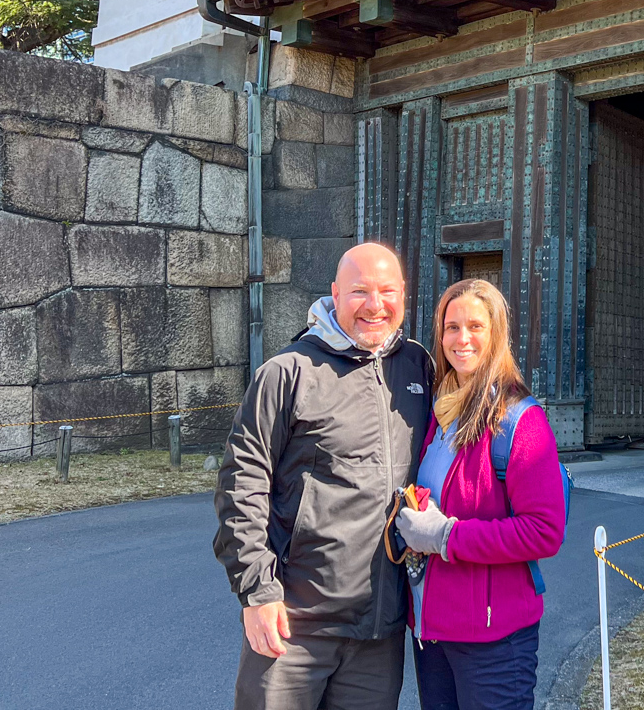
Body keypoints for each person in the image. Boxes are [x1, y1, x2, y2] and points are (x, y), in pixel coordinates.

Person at [214, 242, 432, 710]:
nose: (375, 306)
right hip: (294, 625)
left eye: (388, 291)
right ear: (334, 293)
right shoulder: (288, 372)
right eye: (360, 292)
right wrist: (257, 593)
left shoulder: (418, 367)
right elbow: (240, 483)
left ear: (404, 296)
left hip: (379, 630)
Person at [395, 279, 566, 710]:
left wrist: (447, 536)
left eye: (475, 326)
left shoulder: (519, 421)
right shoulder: (440, 410)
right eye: (451, 327)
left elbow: (545, 532)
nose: (462, 338)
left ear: (496, 334)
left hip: (494, 640)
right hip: (432, 631)